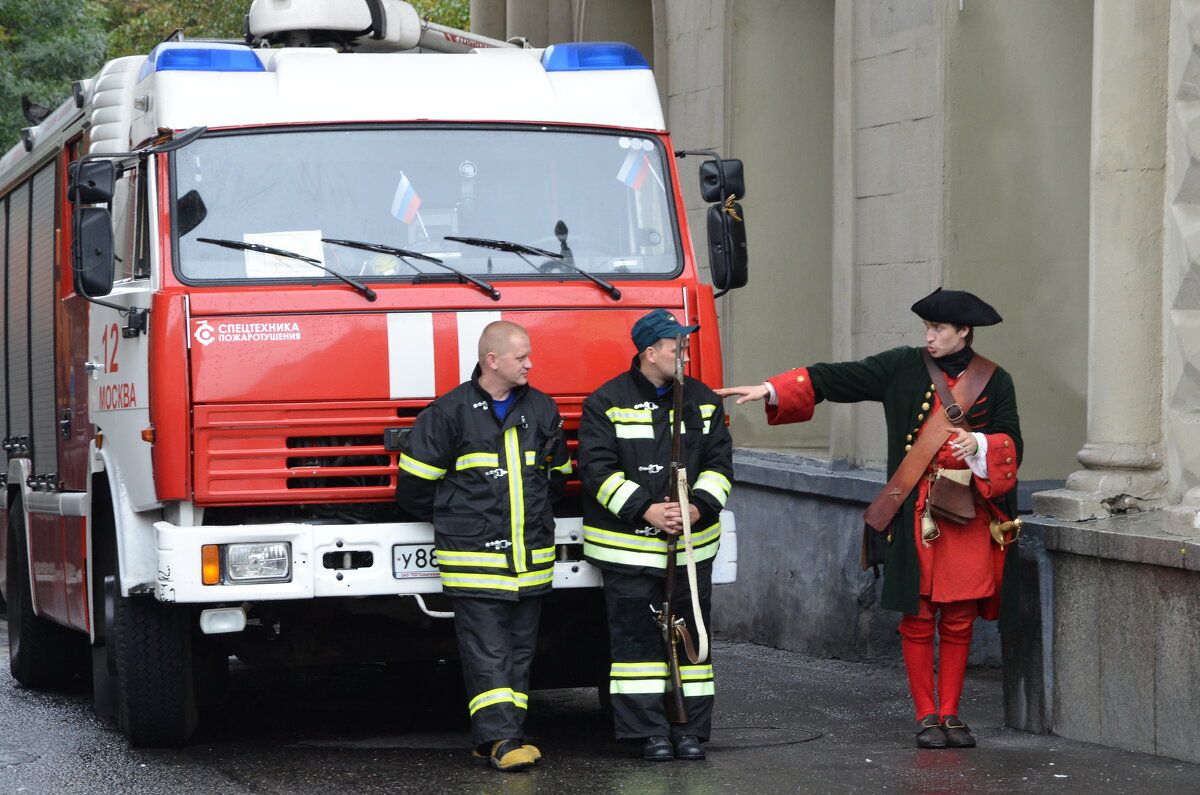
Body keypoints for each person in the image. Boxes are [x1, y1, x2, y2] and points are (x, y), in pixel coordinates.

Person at [716, 288, 1022, 750]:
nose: (929, 336)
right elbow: (839, 378)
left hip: (968, 512)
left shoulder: (996, 380)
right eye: (926, 328)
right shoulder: (902, 365)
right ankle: (926, 716)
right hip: (914, 513)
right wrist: (773, 388)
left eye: (938, 328)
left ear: (963, 331)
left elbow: (1012, 441)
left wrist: (979, 446)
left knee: (959, 619)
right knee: (918, 618)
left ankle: (952, 715)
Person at [395, 321, 571, 771]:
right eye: (521, 357)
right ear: (492, 360)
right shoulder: (449, 413)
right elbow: (414, 492)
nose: (530, 363)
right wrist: (463, 523)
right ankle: (501, 739)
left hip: (530, 560)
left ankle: (498, 735)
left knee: (520, 653)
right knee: (488, 651)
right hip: (473, 560)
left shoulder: (543, 409)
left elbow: (557, 479)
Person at [577, 309, 734, 761]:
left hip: (689, 551)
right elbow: (597, 470)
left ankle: (689, 730)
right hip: (628, 551)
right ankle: (647, 733)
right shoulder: (605, 401)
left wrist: (697, 507)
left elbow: (720, 466)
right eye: (676, 347)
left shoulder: (702, 400)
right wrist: (645, 510)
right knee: (636, 648)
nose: (684, 354)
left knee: (692, 644)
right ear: (649, 352)